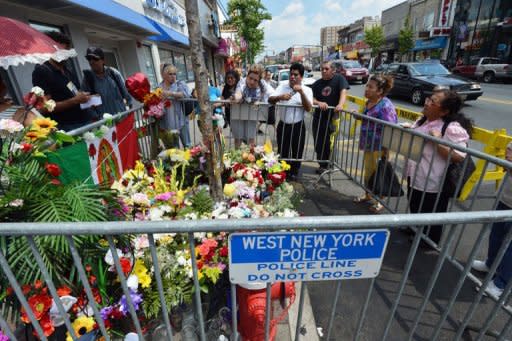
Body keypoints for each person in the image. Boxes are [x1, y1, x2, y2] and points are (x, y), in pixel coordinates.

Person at [406, 89, 473, 244]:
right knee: (415, 203)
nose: (427, 102)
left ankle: (429, 239)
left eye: (432, 101)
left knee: (431, 211)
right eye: (429, 98)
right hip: (415, 173)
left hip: (434, 180)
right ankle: (415, 228)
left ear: (444, 111)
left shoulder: (451, 128)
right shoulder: (423, 120)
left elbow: (459, 156)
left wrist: (438, 141)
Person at [472, 142, 512, 298]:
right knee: (496, 235)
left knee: (510, 247)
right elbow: (507, 151)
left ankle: (501, 283)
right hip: (506, 198)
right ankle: (491, 264)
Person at [353, 74, 398, 213]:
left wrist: (386, 150)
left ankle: (380, 200)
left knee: (379, 174)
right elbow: (368, 118)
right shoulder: (368, 102)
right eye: (367, 85)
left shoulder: (385, 106)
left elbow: (391, 128)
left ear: (379, 91)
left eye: (370, 87)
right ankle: (368, 195)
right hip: (368, 144)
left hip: (380, 146)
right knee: (368, 173)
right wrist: (358, 116)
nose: (366, 89)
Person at [32, 31, 91, 131]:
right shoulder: (42, 71)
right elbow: (44, 107)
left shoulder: (67, 70)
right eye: (63, 51)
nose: (66, 55)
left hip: (84, 121)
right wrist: (76, 100)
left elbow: (73, 92)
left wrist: (83, 97)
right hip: (67, 127)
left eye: (67, 51)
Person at [268, 62, 313, 181]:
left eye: (296, 75)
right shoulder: (282, 86)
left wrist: (301, 92)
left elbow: (309, 108)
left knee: (297, 150)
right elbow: (270, 99)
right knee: (283, 150)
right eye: (291, 74)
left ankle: (294, 172)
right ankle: (284, 173)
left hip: (298, 125)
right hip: (283, 124)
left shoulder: (307, 90)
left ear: (301, 77)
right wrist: (280, 97)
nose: (292, 77)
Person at [311, 60, 350, 174]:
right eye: (322, 69)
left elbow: (343, 92)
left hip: (332, 118)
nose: (323, 71)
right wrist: (319, 103)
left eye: (326, 69)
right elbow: (311, 98)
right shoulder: (317, 84)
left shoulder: (339, 79)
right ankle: (322, 165)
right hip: (318, 118)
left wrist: (340, 104)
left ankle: (329, 164)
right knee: (319, 142)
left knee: (330, 143)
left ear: (333, 70)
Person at [81, 47, 132, 120]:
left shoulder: (114, 73)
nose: (92, 62)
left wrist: (129, 109)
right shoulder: (87, 79)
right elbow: (85, 103)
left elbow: (126, 94)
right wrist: (96, 117)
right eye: (89, 59)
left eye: (95, 59)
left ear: (103, 60)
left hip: (122, 118)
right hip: (105, 124)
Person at [232, 64, 274, 148]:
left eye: (255, 80)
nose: (252, 82)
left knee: (251, 139)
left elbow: (272, 94)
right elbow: (238, 93)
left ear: (259, 80)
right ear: (247, 76)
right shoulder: (242, 82)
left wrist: (261, 101)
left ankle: (250, 158)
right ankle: (236, 157)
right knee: (238, 138)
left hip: (252, 114)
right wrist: (236, 97)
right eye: (250, 78)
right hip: (239, 112)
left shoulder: (263, 84)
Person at [158, 64, 192, 149]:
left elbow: (185, 94)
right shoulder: (159, 87)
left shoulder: (179, 84)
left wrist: (170, 94)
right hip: (168, 121)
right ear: (164, 75)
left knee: (187, 145)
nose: (173, 76)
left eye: (174, 74)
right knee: (174, 148)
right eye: (170, 74)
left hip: (181, 120)